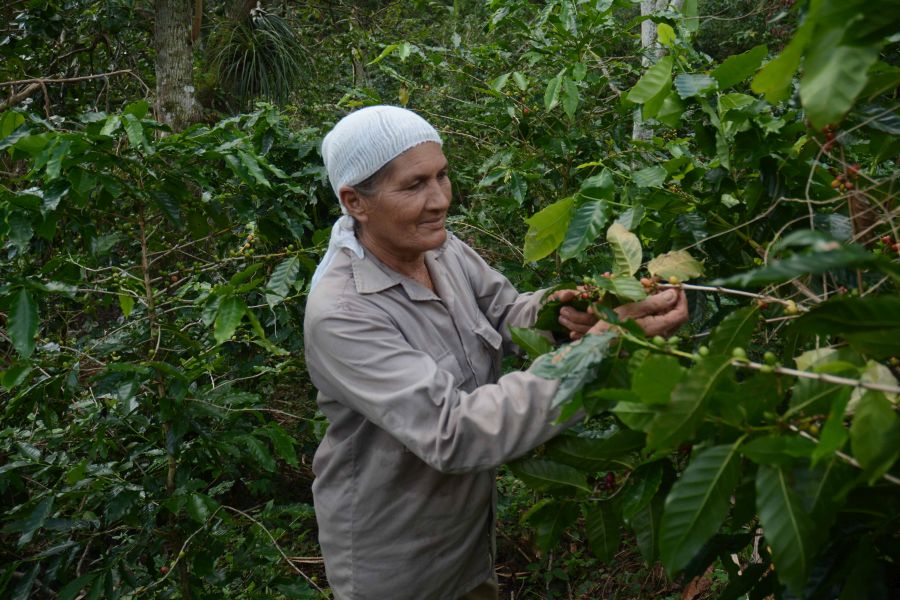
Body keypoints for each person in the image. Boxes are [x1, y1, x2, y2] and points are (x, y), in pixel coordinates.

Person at [303, 105, 688, 600]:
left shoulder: (437, 248)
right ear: (355, 202)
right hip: (398, 567)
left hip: (467, 541)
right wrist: (593, 354)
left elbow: (506, 311)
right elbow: (454, 433)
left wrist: (567, 310)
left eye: (442, 176)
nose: (440, 199)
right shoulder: (342, 312)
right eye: (414, 185)